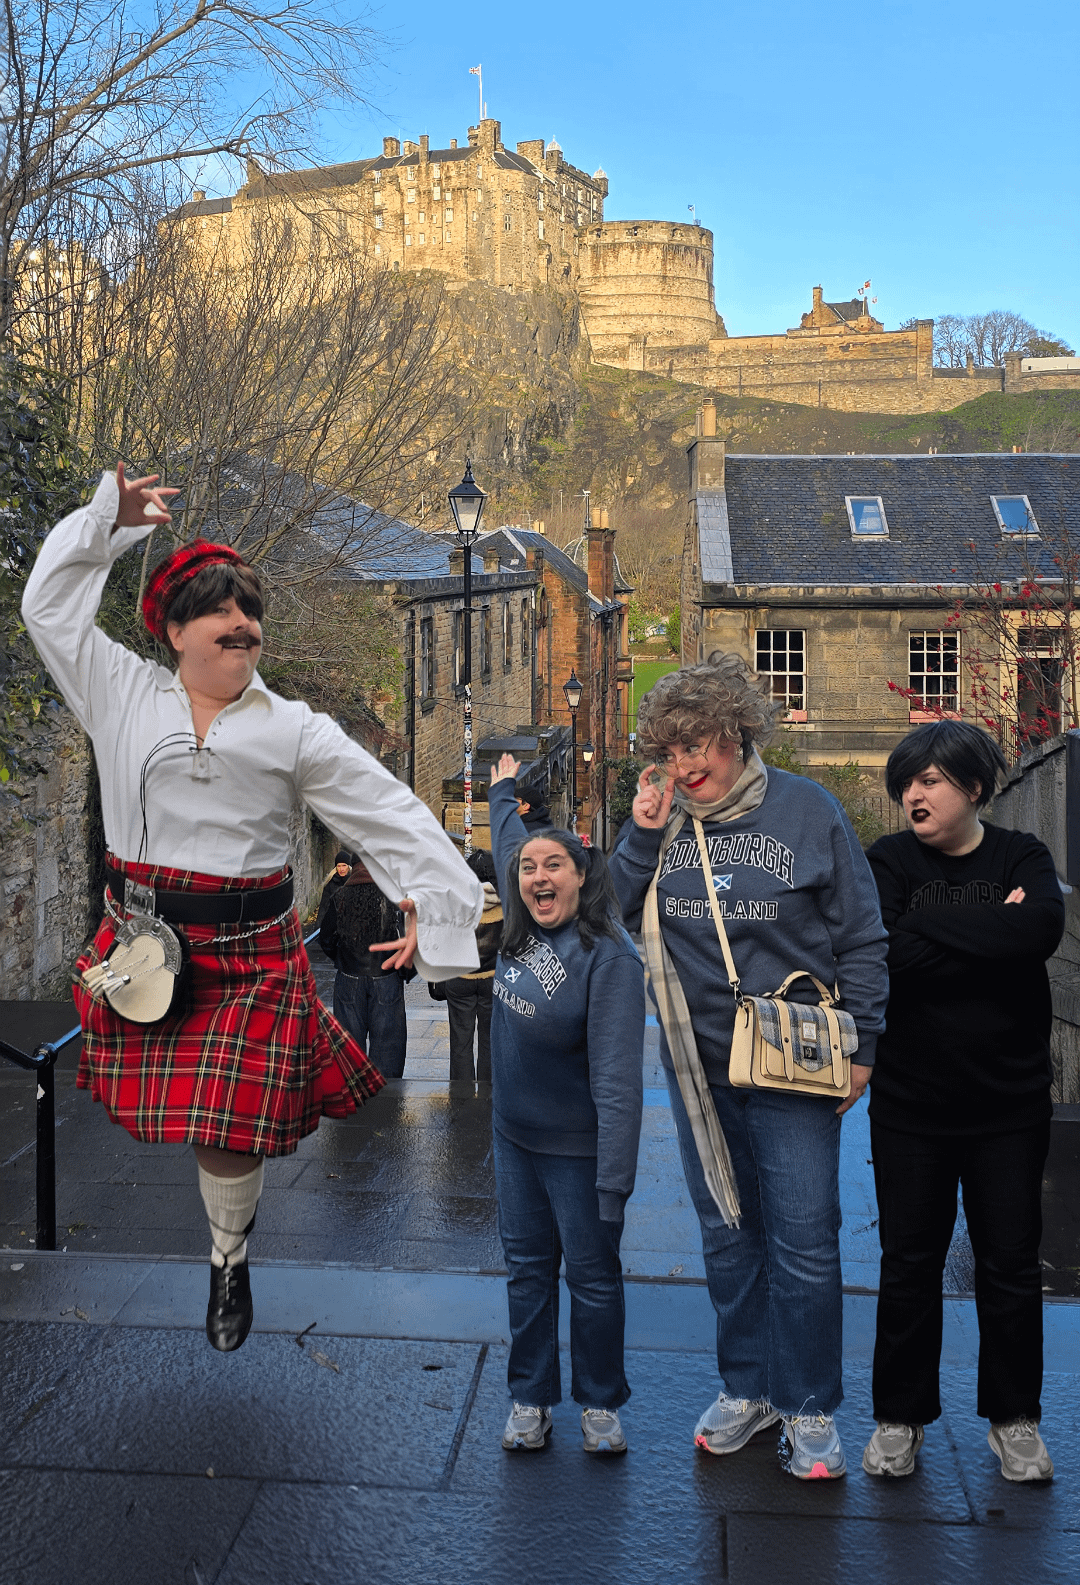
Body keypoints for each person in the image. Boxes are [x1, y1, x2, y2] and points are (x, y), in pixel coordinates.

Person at [22, 464, 483, 1353]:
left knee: (228, 1125)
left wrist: (436, 900)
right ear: (173, 630)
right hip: (143, 940)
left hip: (248, 948)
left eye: (250, 613)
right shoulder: (118, 691)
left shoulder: (293, 726)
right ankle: (228, 1248)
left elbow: (384, 809)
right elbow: (47, 610)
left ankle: (228, 1257)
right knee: (202, 1118)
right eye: (219, 613)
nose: (242, 625)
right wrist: (103, 524)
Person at [609, 651, 889, 1480]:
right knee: (730, 1236)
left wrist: (865, 1046)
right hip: (700, 1068)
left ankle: (809, 1405)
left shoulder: (808, 810)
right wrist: (640, 833)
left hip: (793, 1062)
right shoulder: (662, 821)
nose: (685, 765)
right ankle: (750, 1387)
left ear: (736, 732)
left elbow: (862, 936)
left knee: (804, 1240)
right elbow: (612, 912)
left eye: (698, 744)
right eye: (670, 751)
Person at [860, 720, 1064, 1484]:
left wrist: (926, 925)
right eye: (906, 783)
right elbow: (883, 950)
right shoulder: (888, 860)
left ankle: (1014, 1420)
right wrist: (991, 931)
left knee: (1009, 1264)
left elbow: (1040, 927)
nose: (913, 794)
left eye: (930, 780)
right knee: (908, 1264)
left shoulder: (1023, 855)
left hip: (1009, 1103)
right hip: (910, 1104)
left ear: (973, 787)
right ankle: (899, 1418)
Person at [488, 752, 645, 1456]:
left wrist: (615, 1184)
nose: (538, 876)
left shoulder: (608, 958)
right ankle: (530, 1397)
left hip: (579, 1153)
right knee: (527, 1275)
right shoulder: (519, 922)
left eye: (554, 865)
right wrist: (501, 790)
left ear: (582, 875)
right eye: (529, 868)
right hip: (515, 1141)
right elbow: (505, 841)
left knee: (592, 1280)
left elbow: (618, 1084)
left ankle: (601, 1402)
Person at [318, 858, 411, 1080]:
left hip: (349, 976)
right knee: (388, 1047)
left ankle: (354, 1090)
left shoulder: (340, 896)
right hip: (386, 976)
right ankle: (386, 1092)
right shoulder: (393, 897)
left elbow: (326, 938)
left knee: (349, 1047)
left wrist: (342, 957)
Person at [442, 847, 502, 1084]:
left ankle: (462, 1092)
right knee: (489, 1040)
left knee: (460, 1040)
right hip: (492, 979)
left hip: (460, 979)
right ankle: (487, 1089)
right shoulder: (505, 903)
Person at [316, 849, 357, 927]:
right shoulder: (330, 884)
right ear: (336, 867)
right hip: (334, 924)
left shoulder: (354, 882)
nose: (341, 869)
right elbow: (323, 907)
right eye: (339, 866)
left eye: (344, 865)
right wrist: (318, 927)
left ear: (349, 867)